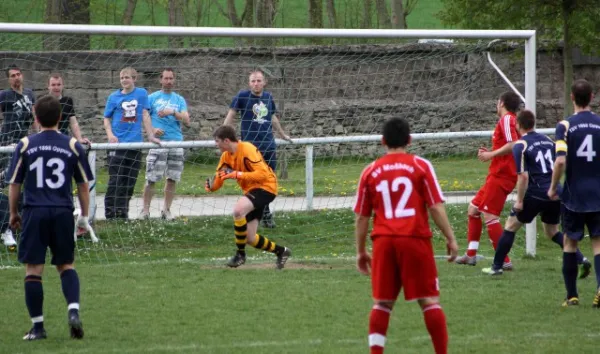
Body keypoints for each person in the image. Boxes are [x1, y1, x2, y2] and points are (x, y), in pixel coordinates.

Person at [354, 117, 458, 354]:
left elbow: (362, 217)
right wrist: (450, 237)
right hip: (415, 239)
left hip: (384, 242)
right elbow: (435, 206)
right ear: (409, 141)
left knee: (382, 303)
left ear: (383, 141)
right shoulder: (421, 166)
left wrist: (361, 251)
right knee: (429, 301)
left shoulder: (370, 171)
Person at [7, 95, 94, 340]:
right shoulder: (72, 145)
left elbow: (14, 184)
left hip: (34, 211)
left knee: (33, 270)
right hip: (63, 212)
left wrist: (14, 213)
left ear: (35, 117)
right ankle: (73, 311)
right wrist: (84, 217)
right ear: (60, 118)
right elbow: (84, 185)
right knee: (66, 265)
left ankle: (38, 327)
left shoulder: (25, 144)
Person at [482, 110, 591, 276]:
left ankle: (496, 267)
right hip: (556, 192)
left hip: (536, 192)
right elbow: (561, 162)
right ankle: (581, 259)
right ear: (533, 123)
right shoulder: (548, 140)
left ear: (518, 125)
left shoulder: (521, 144)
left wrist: (519, 200)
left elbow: (523, 176)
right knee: (552, 231)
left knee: (511, 226)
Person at [205, 125, 291, 269]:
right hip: (252, 190)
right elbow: (219, 179)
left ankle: (240, 255)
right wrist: (211, 187)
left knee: (238, 210)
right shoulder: (225, 157)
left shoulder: (247, 149)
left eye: (217, 141)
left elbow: (263, 174)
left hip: (267, 186)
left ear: (226, 141)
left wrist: (237, 174)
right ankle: (282, 251)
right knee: (250, 238)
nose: (216, 144)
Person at [548, 79, 600, 307]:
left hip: (574, 194)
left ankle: (572, 296)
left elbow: (560, 160)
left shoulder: (565, 126)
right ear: (592, 97)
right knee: (598, 243)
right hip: (598, 193)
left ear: (571, 98)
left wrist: (552, 187)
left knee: (570, 242)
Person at [455, 91, 521, 269]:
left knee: (490, 216)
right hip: (496, 174)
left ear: (501, 103)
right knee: (473, 210)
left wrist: (491, 154)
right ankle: (470, 255)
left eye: (496, 101)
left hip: (503, 175)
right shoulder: (510, 120)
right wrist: (489, 153)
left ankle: (504, 261)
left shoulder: (507, 119)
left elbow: (514, 145)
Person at [223, 69, 292, 229]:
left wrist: (281, 133)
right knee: (254, 183)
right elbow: (231, 115)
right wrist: (221, 135)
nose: (256, 83)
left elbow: (272, 117)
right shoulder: (242, 96)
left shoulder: (268, 98)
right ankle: (262, 214)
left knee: (268, 182)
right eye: (253, 81)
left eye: (259, 81)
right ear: (249, 83)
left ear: (264, 82)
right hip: (251, 149)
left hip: (268, 145)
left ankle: (263, 212)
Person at [103, 67, 160, 220]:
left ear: (134, 79)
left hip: (135, 145)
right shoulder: (113, 97)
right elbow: (106, 118)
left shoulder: (141, 94)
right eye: (122, 78)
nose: (124, 80)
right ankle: (110, 213)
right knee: (116, 179)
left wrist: (151, 136)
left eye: (127, 77)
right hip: (118, 145)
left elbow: (145, 114)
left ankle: (123, 213)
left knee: (130, 181)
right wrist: (110, 135)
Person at [140, 68, 190, 220]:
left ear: (174, 80)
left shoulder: (179, 99)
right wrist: (152, 130)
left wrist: (173, 112)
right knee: (151, 178)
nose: (168, 81)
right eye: (166, 78)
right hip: (158, 143)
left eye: (171, 79)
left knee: (172, 178)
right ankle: (145, 211)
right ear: (160, 80)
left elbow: (187, 121)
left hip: (176, 141)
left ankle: (166, 210)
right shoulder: (152, 98)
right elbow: (144, 116)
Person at [0, 65, 36, 250]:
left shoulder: (30, 94)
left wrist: (38, 136)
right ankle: (5, 224)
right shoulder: (4, 95)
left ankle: (21, 223)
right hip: (7, 143)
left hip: (25, 143)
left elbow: (35, 117)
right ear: (8, 79)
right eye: (12, 76)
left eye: (18, 74)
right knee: (6, 180)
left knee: (26, 181)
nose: (16, 78)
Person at [47, 73, 91, 144]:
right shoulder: (43, 101)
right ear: (48, 86)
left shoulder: (67, 101)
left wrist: (79, 138)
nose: (56, 87)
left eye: (59, 84)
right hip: (47, 140)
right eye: (53, 85)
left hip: (63, 139)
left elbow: (73, 122)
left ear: (62, 86)